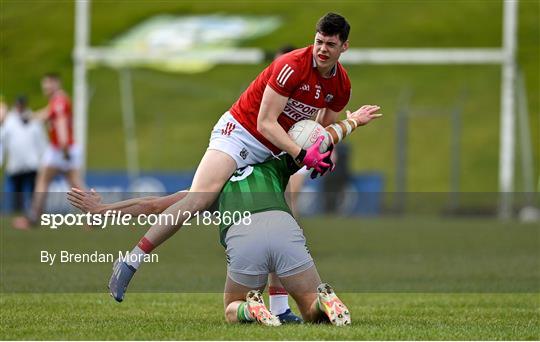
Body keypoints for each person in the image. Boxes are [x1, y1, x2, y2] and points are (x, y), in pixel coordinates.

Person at [106, 13, 381, 302]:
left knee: (284, 219)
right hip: (240, 134)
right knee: (198, 199)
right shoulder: (291, 66)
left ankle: (279, 306)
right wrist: (302, 153)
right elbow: (265, 123)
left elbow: (321, 131)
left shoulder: (341, 86)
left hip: (275, 149)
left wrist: (322, 152)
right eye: (319, 41)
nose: (322, 49)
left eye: (330, 44)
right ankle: (130, 261)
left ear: (344, 47)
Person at [68, 109, 381, 325]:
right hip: (286, 229)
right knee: (310, 309)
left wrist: (103, 210)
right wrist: (352, 121)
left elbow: (153, 206)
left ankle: (249, 308)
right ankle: (323, 302)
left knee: (232, 308)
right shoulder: (275, 165)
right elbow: (315, 141)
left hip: (244, 237)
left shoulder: (211, 186)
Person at [13, 73, 85, 229]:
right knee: (75, 185)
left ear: (56, 84)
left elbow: (60, 124)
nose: (46, 87)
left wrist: (64, 149)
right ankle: (94, 216)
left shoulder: (58, 101)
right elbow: (47, 114)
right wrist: (31, 117)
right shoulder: (58, 100)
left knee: (44, 181)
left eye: (48, 84)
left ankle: (33, 217)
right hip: (63, 148)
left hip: (61, 149)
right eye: (44, 84)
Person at [0, 96, 47, 214]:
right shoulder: (9, 121)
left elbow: (41, 141)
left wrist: (43, 158)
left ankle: (33, 213)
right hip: (15, 164)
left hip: (32, 163)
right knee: (17, 193)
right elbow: (2, 140)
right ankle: (17, 213)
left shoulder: (34, 120)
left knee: (33, 191)